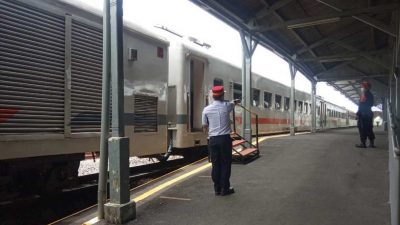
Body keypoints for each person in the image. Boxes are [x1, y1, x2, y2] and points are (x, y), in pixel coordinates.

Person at [202, 86, 240, 196]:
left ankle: (217, 189)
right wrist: (236, 101)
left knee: (215, 164)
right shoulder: (227, 106)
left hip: (212, 140)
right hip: (224, 139)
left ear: (213, 96)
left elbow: (204, 126)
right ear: (222, 96)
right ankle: (225, 188)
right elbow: (233, 103)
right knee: (225, 164)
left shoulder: (206, 110)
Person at [355, 80, 375, 148]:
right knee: (369, 129)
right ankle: (371, 143)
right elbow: (370, 104)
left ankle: (363, 143)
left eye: (363, 87)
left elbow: (361, 106)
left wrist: (358, 113)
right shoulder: (370, 95)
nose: (361, 88)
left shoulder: (364, 95)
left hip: (364, 115)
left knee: (362, 129)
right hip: (368, 114)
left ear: (366, 88)